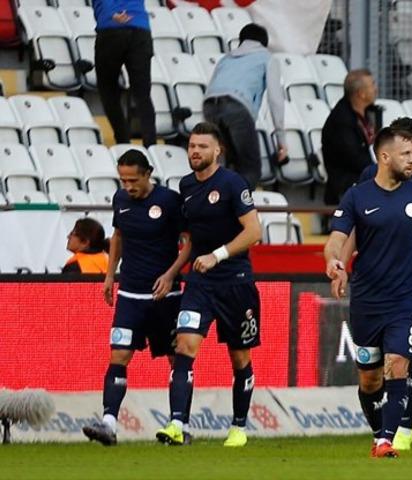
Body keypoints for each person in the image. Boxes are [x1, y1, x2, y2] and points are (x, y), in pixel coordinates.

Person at [324, 127, 412, 458]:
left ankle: (388, 439)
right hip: (368, 298)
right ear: (384, 157)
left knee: (399, 361)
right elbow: (337, 237)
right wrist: (335, 263)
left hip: (409, 295)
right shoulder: (357, 196)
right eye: (406, 154)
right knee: (370, 379)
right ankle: (379, 433)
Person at [155, 122, 263, 448]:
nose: (196, 152)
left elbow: (254, 232)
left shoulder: (232, 184)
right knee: (184, 346)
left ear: (218, 151)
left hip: (235, 283)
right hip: (200, 284)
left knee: (239, 358)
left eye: (203, 146)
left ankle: (239, 427)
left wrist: (217, 255)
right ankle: (177, 425)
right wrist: (174, 271)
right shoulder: (185, 186)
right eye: (192, 146)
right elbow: (191, 240)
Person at [82, 150, 190, 446]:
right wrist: (109, 275)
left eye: (133, 180)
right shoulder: (120, 200)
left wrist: (170, 275)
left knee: (177, 357)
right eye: (123, 180)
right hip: (130, 293)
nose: (128, 186)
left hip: (165, 296)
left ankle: (178, 424)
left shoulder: (169, 201)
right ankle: (109, 423)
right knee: (118, 355)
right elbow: (118, 236)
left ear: (147, 174)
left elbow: (189, 242)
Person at [203, 23, 287, 189]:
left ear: (240, 41)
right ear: (264, 43)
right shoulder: (266, 57)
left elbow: (210, 88)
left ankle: (218, 204)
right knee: (250, 167)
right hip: (237, 106)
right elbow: (275, 99)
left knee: (224, 165)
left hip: (210, 106)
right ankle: (241, 207)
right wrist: (281, 140)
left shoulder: (225, 59)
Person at [92, 0, 156, 147]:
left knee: (107, 89)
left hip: (111, 27)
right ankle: (151, 145)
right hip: (140, 28)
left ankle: (123, 142)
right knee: (143, 94)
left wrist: (111, 13)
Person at [322, 69, 379, 205]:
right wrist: (383, 172)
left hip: (364, 179)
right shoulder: (341, 120)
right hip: (346, 188)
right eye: (372, 85)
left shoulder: (368, 114)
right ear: (361, 93)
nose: (376, 89)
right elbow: (354, 158)